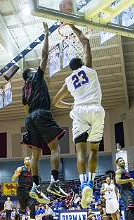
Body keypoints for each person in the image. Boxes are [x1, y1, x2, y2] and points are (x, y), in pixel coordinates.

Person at [52, 24, 104, 209]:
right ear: (81, 63)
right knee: (95, 150)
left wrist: (70, 104)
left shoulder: (68, 81)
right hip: (96, 110)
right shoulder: (89, 68)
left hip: (79, 111)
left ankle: (83, 185)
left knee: (81, 151)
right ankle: (90, 181)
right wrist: (72, 25)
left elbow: (56, 102)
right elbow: (85, 41)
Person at [21, 22, 67, 203]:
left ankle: (35, 186)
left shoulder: (24, 89)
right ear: (31, 73)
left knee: (36, 155)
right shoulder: (36, 77)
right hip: (41, 114)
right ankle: (54, 181)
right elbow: (45, 55)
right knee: (55, 147)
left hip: (30, 119)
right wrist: (47, 35)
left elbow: (25, 107)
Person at [11, 156, 38, 220]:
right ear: (24, 161)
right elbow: (13, 179)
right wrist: (15, 175)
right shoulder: (20, 169)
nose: (28, 160)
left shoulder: (33, 169)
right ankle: (19, 212)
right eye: (26, 159)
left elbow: (36, 180)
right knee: (23, 208)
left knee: (32, 206)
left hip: (30, 191)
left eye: (29, 159)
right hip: (21, 191)